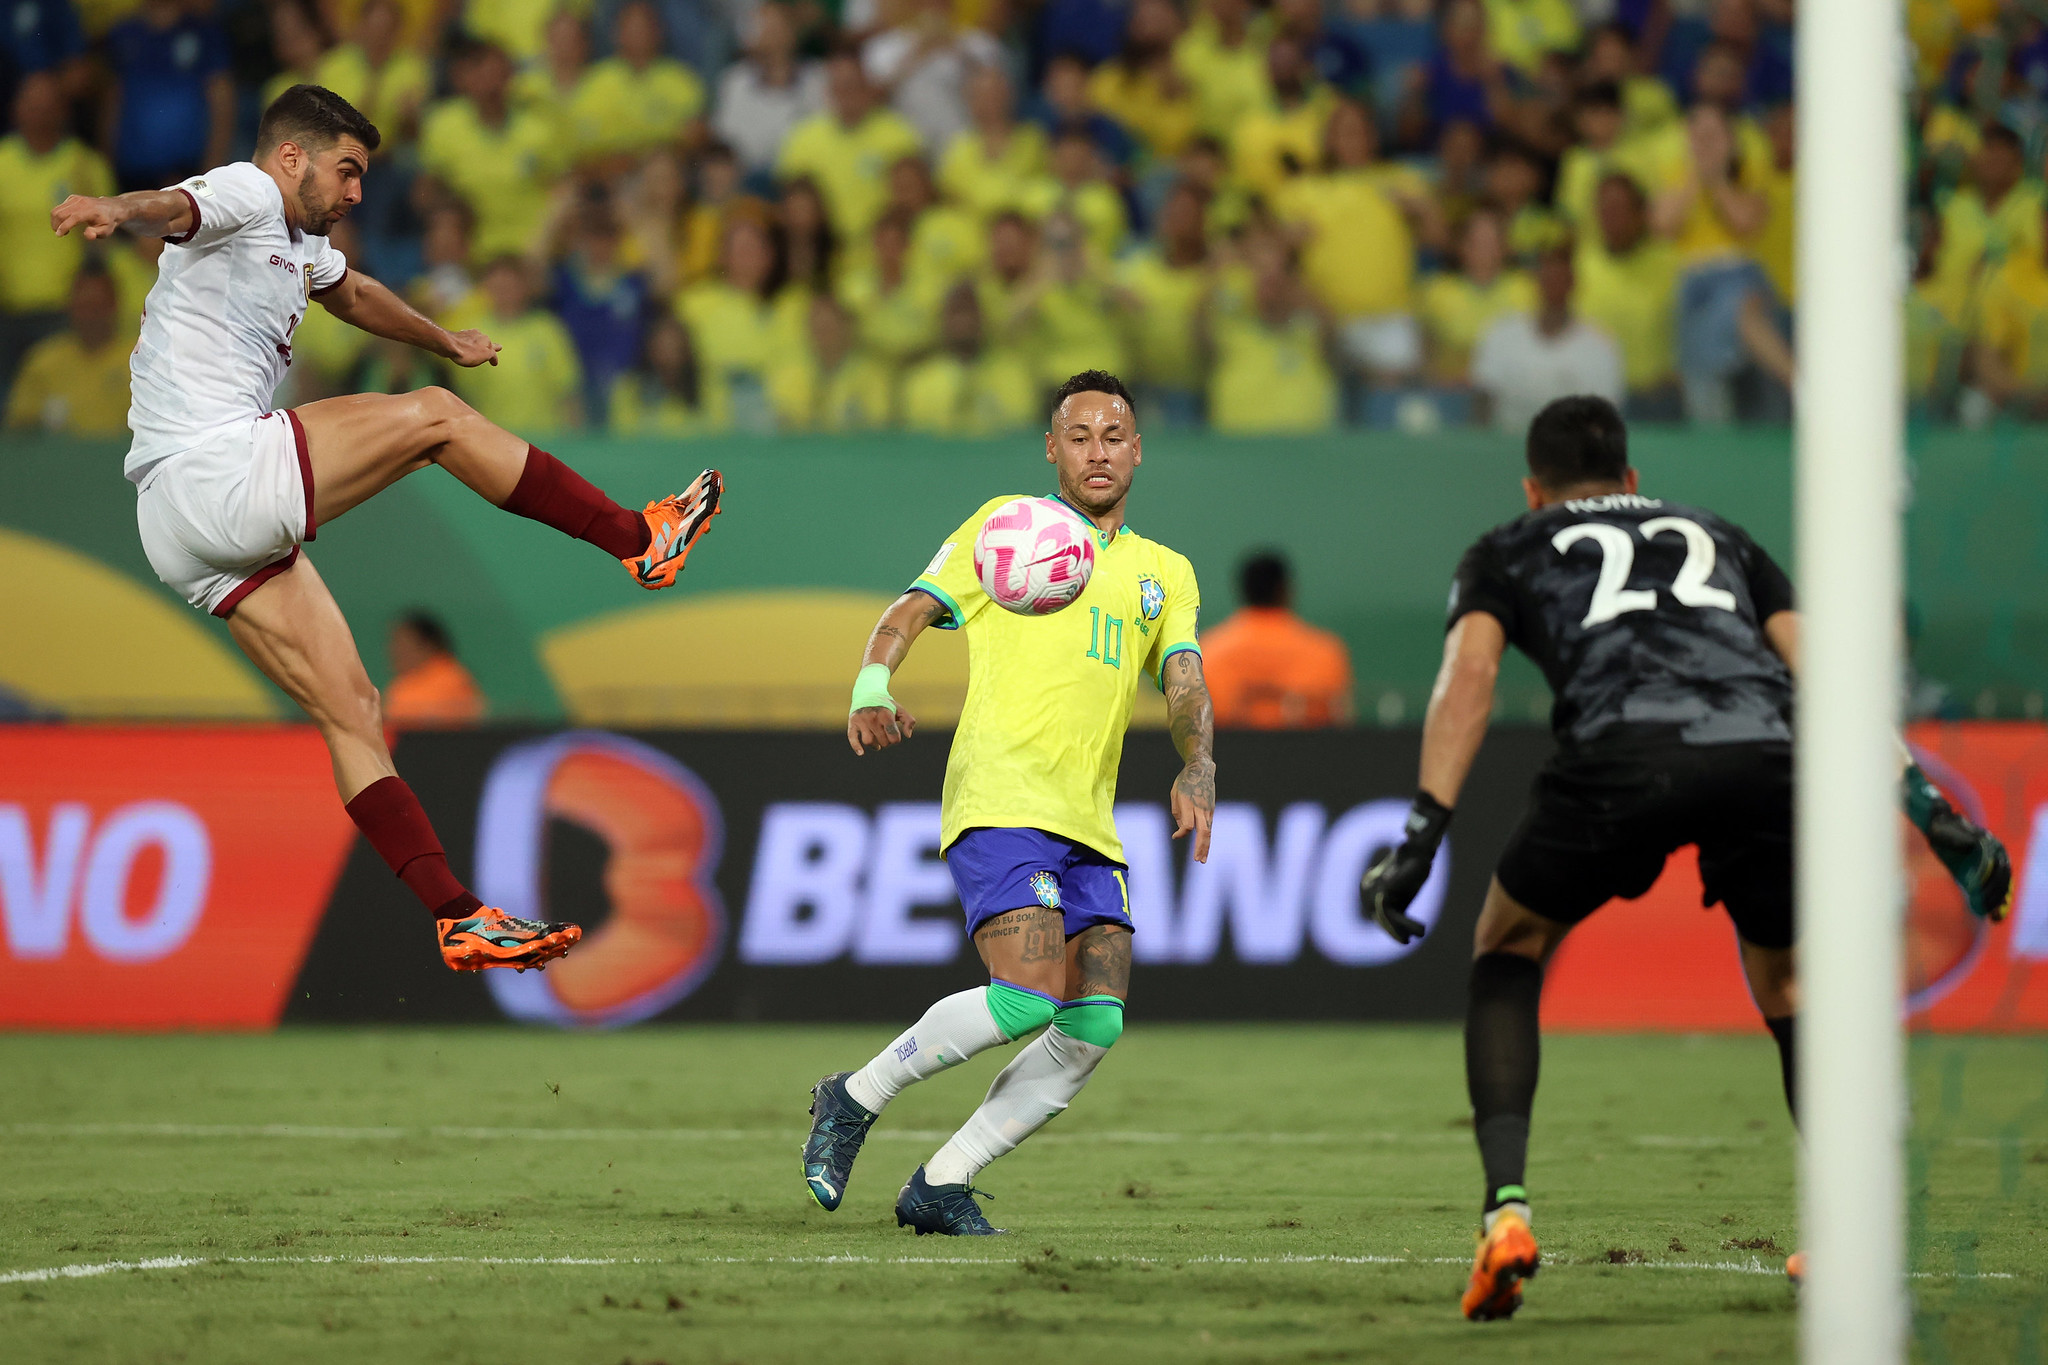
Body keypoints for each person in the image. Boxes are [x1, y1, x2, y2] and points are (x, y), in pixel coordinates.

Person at [1357, 395, 2015, 1323]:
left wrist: (1425, 827)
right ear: (1632, 481)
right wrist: (1924, 805)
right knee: (1788, 982)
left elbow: (1467, 680)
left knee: (1506, 947)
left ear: (1533, 488)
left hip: (1622, 754)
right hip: (1766, 753)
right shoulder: (1721, 535)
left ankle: (1505, 1213)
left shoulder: (1510, 545)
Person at [51, 84, 724, 973]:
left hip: (173, 524)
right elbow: (179, 208)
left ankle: (455, 914)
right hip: (214, 467)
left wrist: (443, 337)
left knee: (355, 711)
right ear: (292, 157)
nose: (358, 191)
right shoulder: (250, 192)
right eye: (347, 169)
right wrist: (115, 207)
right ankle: (642, 541)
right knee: (436, 422)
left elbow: (357, 293)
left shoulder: (296, 240)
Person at [803, 370, 1214, 1235]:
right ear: (1053, 449)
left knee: (1095, 1021)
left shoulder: (1164, 571)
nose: (1097, 451)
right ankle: (855, 1095)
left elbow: (1183, 678)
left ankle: (942, 1180)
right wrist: (871, 682)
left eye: (1114, 436)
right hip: (1001, 796)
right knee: (1025, 996)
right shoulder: (1007, 531)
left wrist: (1199, 759)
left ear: (1137, 449)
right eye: (1079, 436)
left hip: (1089, 825)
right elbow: (912, 608)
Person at [1471, 246, 1623, 433]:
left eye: (1560, 279)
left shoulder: (1600, 346)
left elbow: (1604, 418)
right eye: (1548, 278)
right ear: (1537, 281)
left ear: (1573, 283)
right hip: (1506, 446)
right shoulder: (1500, 334)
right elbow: (1482, 401)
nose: (1553, 285)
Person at [1200, 551, 1353, 727]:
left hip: (1224, 752)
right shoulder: (1326, 652)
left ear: (1242, 589)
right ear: (1285, 589)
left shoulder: (1206, 652)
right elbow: (1340, 720)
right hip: (1308, 752)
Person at [4, 262, 131, 435]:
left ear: (114, 305)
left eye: (96, 307)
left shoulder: (141, 361)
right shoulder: (43, 360)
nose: (89, 317)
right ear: (69, 307)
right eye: (83, 307)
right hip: (58, 458)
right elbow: (17, 429)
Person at [384, 611, 485, 726]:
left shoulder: (451, 679)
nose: (395, 651)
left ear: (428, 645)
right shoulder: (400, 685)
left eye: (403, 644)